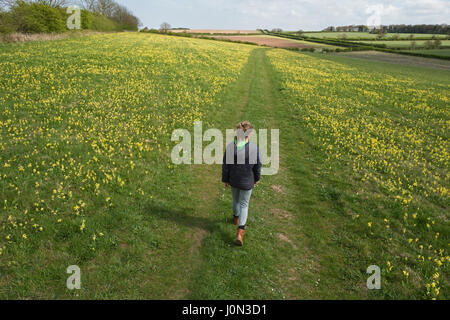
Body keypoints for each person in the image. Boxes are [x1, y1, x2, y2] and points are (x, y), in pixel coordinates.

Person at [222, 121, 262, 246]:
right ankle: (240, 231)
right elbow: (258, 166)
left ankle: (235, 218)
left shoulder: (230, 147)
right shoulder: (254, 149)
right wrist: (257, 178)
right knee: (244, 204)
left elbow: (226, 166)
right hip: (247, 181)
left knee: (236, 200)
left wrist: (225, 179)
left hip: (234, 180)